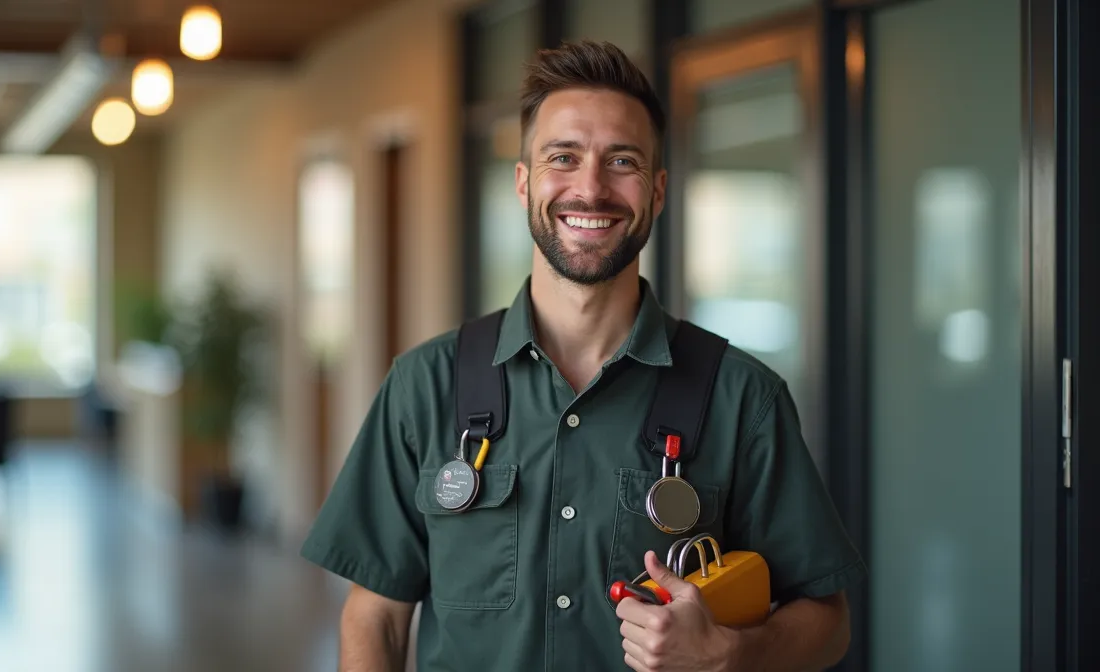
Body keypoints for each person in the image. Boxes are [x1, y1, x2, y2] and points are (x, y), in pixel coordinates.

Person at [300, 40, 865, 672]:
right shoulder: (424, 385)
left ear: (656, 192)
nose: (590, 188)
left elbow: (827, 620)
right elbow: (375, 615)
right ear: (524, 183)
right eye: (562, 157)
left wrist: (730, 654)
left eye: (620, 160)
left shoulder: (741, 398)